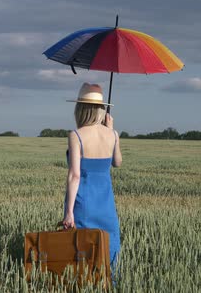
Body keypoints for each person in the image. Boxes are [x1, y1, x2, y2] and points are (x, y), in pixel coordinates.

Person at [62, 83, 122, 272]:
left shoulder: (76, 135)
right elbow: (117, 162)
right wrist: (111, 130)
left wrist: (69, 211)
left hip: (83, 202)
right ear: (101, 110)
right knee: (109, 243)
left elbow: (75, 175)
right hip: (106, 203)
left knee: (81, 246)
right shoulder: (113, 134)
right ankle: (109, 282)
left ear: (80, 108)